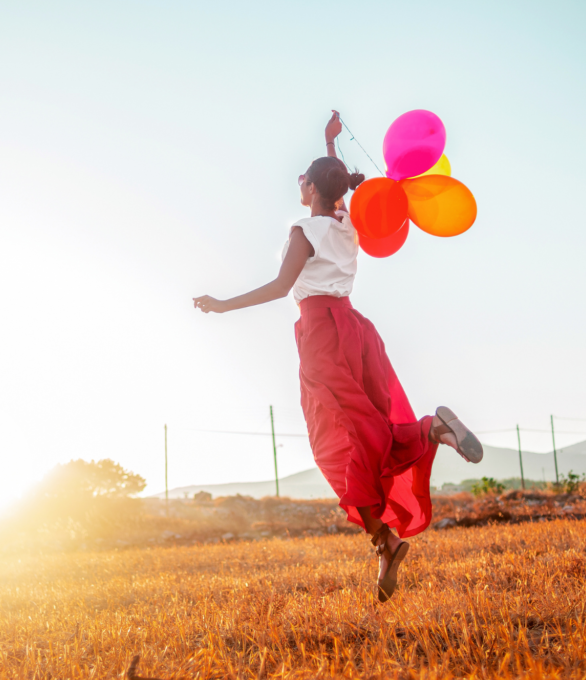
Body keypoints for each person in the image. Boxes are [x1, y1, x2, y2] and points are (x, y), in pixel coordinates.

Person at [192, 110, 483, 602]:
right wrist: (329, 145)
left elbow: (283, 286)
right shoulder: (347, 222)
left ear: (309, 190)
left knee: (338, 446)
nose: (300, 185)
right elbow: (336, 188)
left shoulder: (304, 230)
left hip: (323, 334)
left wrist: (223, 305)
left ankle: (386, 535)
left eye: (303, 181)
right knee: (370, 431)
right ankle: (402, 498)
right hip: (358, 331)